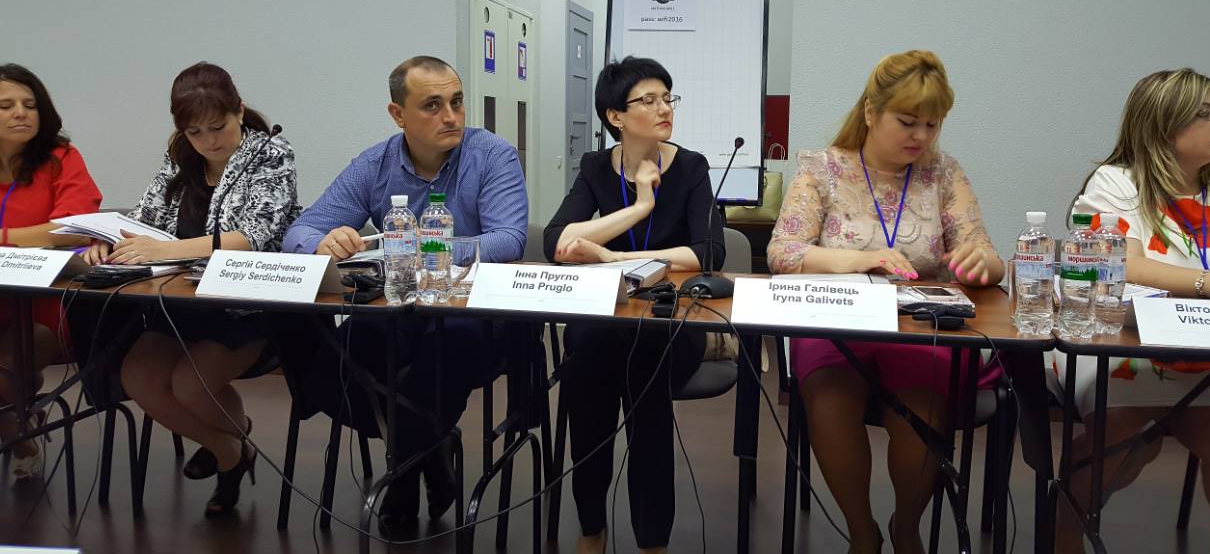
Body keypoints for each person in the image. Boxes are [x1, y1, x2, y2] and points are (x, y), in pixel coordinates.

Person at [767, 50, 1004, 554]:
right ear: (871, 112)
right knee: (829, 399)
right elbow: (783, 252)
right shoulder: (823, 169)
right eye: (907, 121)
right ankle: (861, 531)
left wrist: (982, 264)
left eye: (931, 124)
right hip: (836, 320)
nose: (920, 136)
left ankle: (907, 526)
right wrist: (859, 260)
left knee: (925, 404)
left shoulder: (944, 174)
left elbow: (984, 253)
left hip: (917, 325)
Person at [282, 55, 527, 536]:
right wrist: (324, 242)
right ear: (398, 115)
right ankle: (428, 450)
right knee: (331, 366)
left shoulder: (492, 155)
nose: (451, 116)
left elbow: (508, 240)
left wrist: (423, 249)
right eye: (432, 105)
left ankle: (402, 475)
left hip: (471, 312)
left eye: (456, 102)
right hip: (397, 309)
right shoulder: (374, 164)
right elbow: (300, 231)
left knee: (442, 357)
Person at [1058, 68, 1210, 554]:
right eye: (1206, 113)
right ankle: (1062, 539)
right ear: (1164, 124)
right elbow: (1123, 263)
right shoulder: (1116, 183)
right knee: (1123, 438)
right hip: (1122, 347)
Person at [82, 62, 299, 517]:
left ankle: (227, 452)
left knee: (190, 384)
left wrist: (166, 249)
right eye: (196, 132)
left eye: (218, 127)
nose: (209, 141)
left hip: (243, 306)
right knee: (138, 377)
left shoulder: (272, 154)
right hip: (179, 301)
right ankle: (231, 452)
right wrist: (107, 241)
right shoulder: (180, 156)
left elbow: (253, 235)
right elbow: (144, 218)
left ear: (239, 111)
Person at [544, 56, 725, 554]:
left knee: (645, 366)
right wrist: (640, 206)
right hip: (607, 319)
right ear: (615, 116)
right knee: (584, 356)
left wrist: (614, 257)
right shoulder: (595, 168)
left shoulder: (691, 167)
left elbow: (709, 251)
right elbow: (558, 243)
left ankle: (651, 540)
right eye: (649, 100)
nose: (665, 108)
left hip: (672, 319)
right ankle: (591, 528)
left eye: (668, 97)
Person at [0, 64, 102, 479]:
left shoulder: (61, 157)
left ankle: (15, 430)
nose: (20, 112)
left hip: (46, 304)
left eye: (29, 105)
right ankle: (21, 428)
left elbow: (73, 228)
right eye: (6, 105)